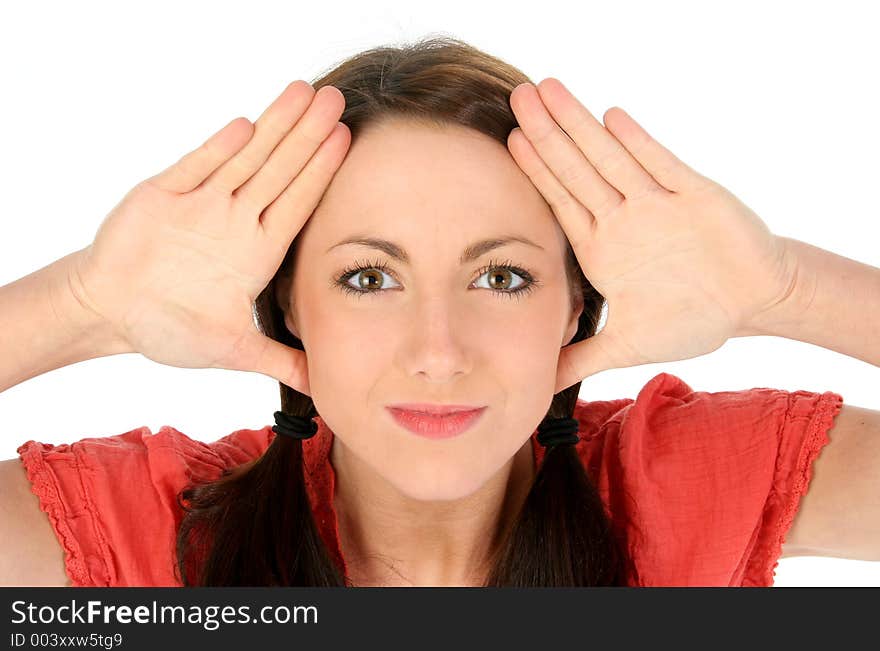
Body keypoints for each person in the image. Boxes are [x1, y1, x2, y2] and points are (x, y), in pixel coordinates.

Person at [0, 36, 877, 588]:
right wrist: (84, 307)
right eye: (369, 279)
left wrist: (786, 290)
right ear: (287, 303)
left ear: (577, 303)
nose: (438, 351)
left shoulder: (679, 484)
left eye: (500, 277)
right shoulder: (151, 531)